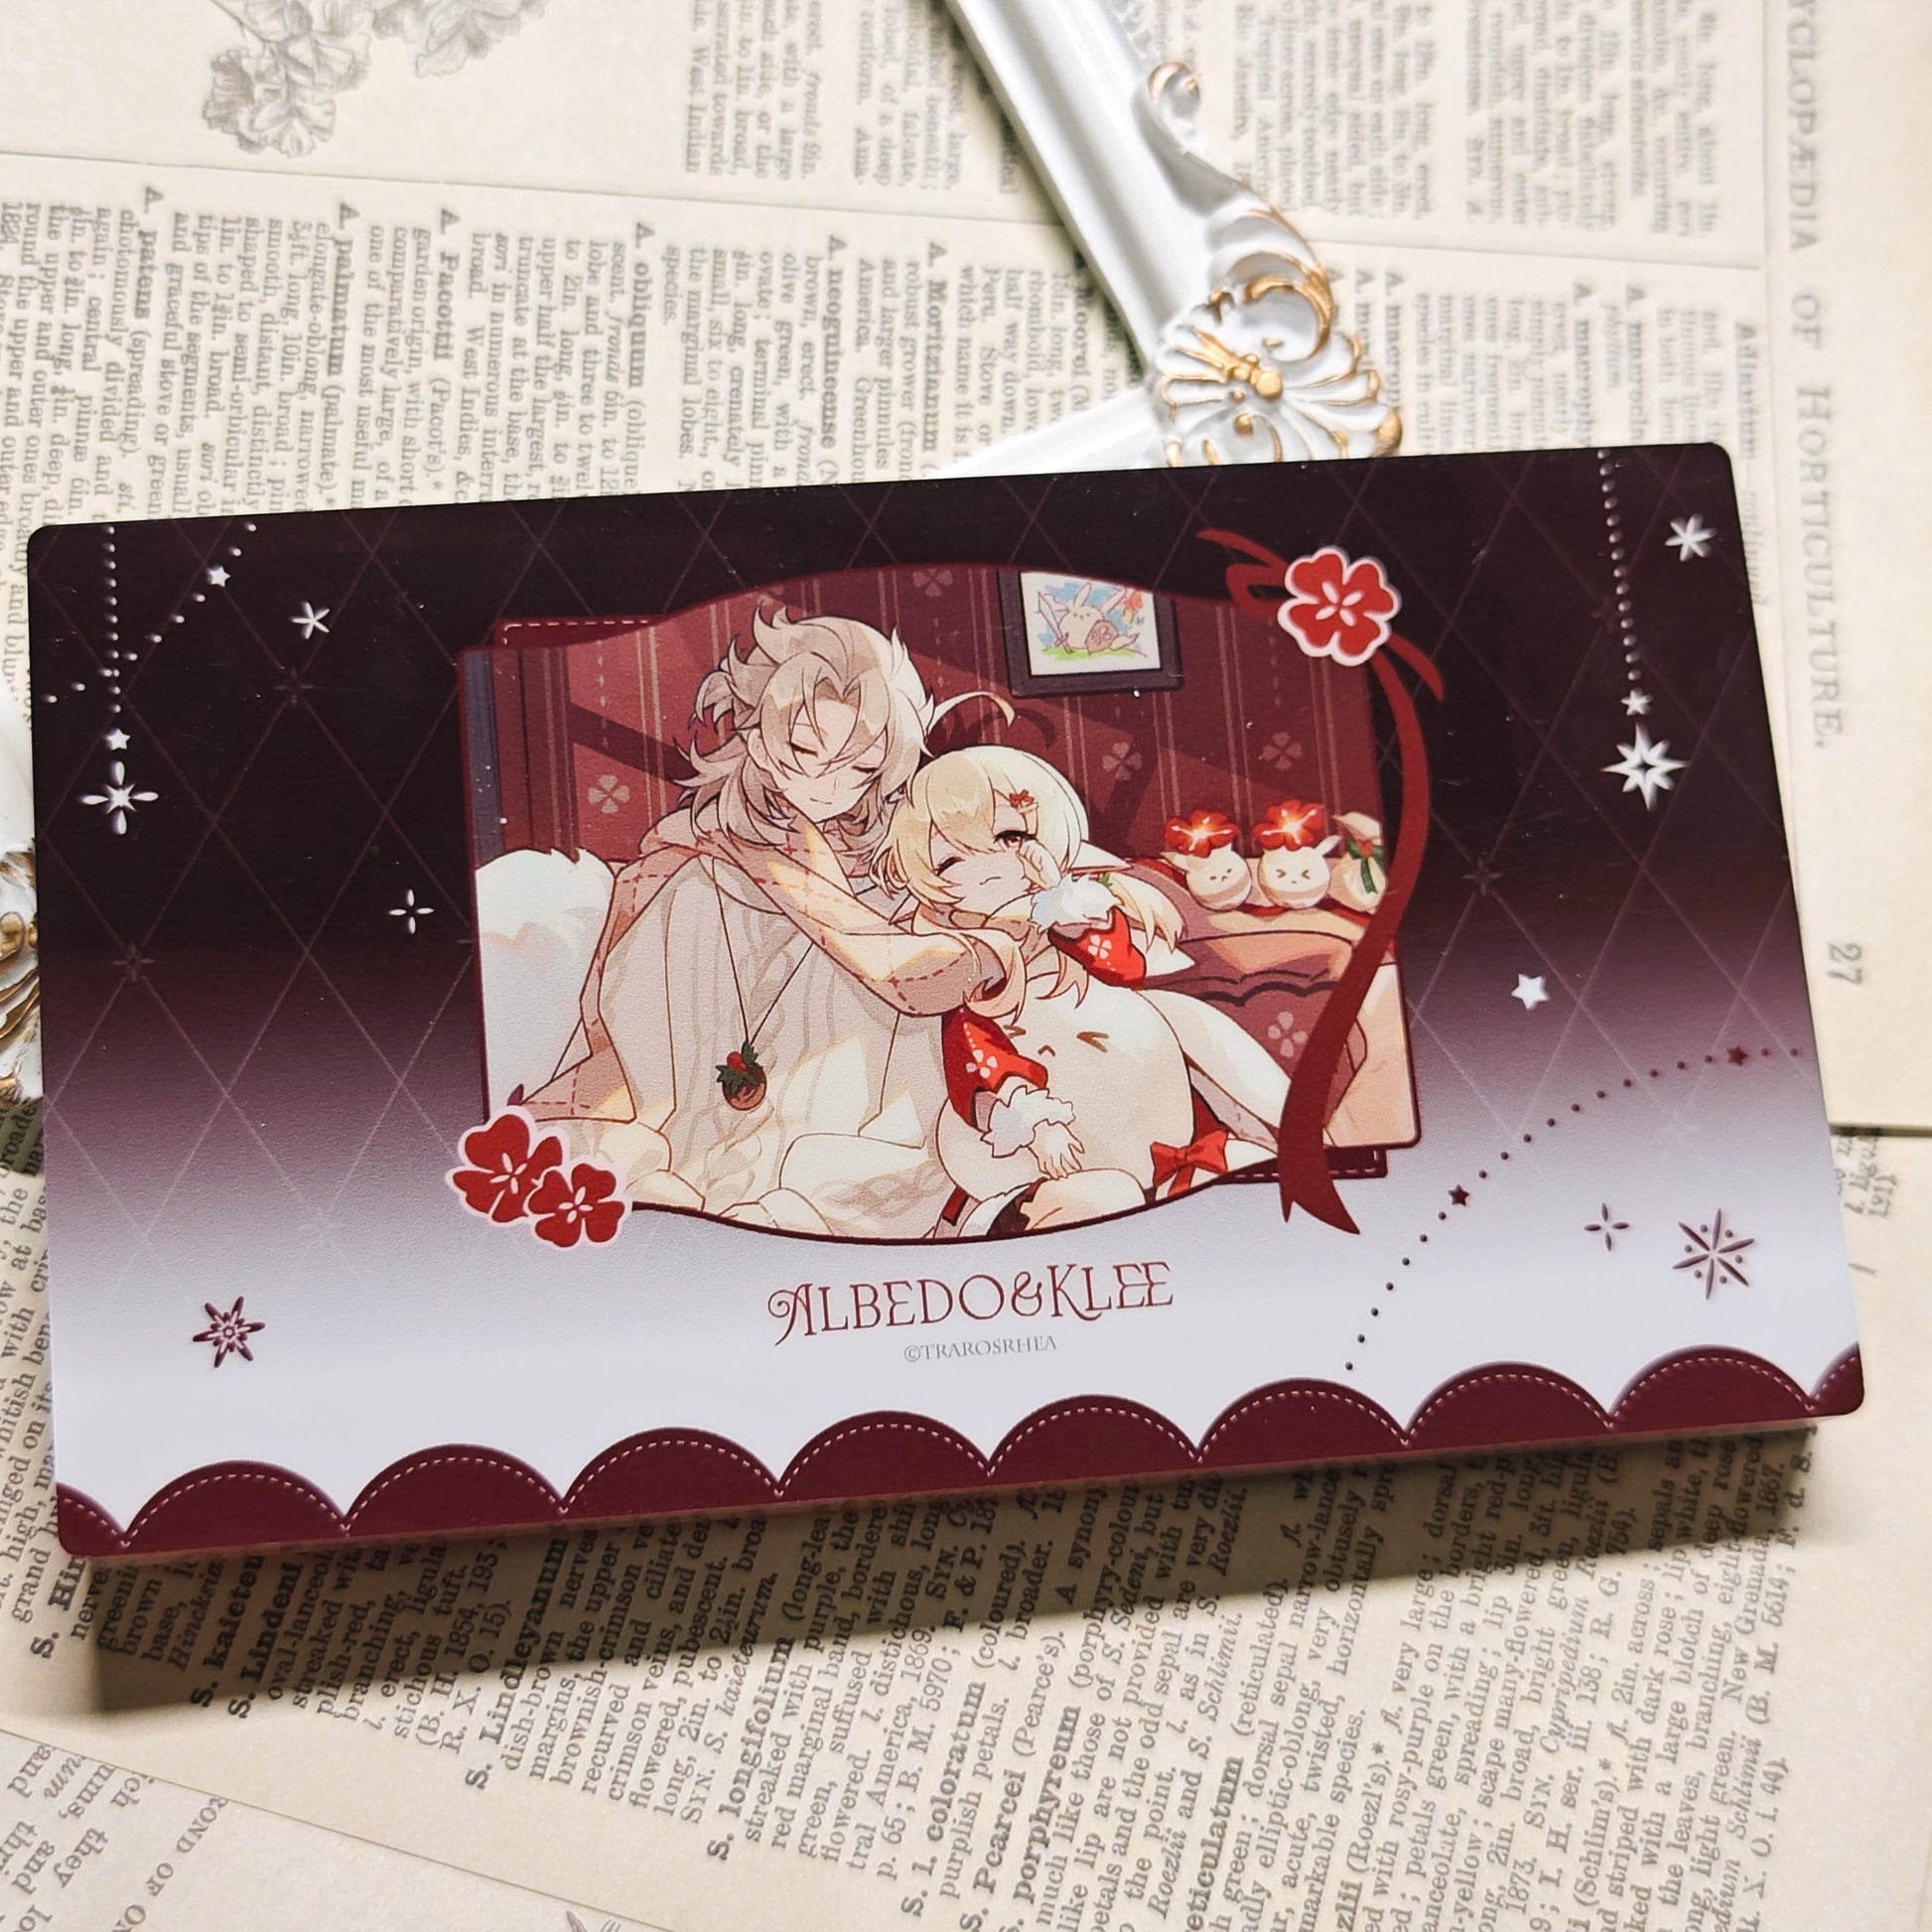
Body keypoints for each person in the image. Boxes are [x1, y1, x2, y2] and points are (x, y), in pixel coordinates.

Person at [524, 604, 1004, 1239]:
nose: (830, 784)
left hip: (853, 1156)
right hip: (692, 1144)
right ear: (755, 736)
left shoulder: (912, 876)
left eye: (861, 767)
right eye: (806, 751)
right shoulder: (680, 874)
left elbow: (928, 983)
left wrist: (788, 874)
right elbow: (620, 1042)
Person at [732, 744, 1290, 1237]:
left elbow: (1122, 964)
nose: (990, 864)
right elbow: (982, 1066)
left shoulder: (1074, 924)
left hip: (1168, 1155)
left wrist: (1068, 907)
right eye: (952, 859)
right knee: (1104, 1199)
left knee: (1248, 1169)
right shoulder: (980, 973)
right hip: (1054, 1175)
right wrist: (1033, 1122)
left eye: (1010, 837)